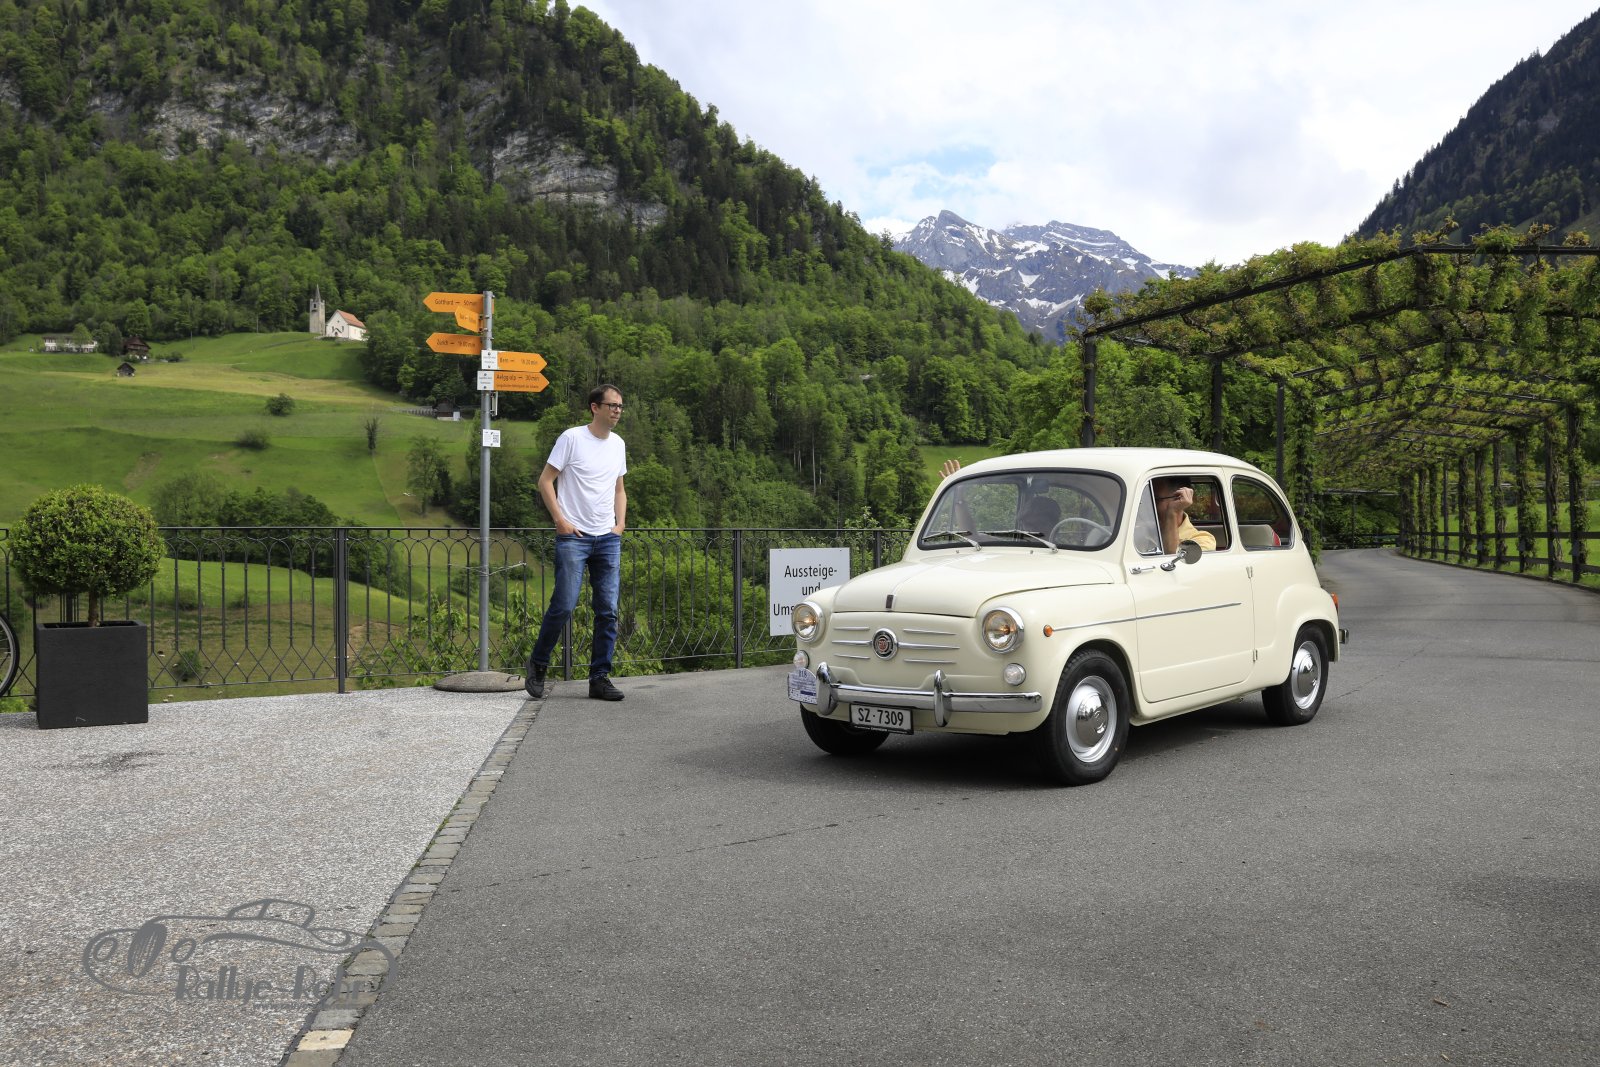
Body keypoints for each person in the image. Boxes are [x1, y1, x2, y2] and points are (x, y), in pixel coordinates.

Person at [524, 384, 628, 701]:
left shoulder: (618, 444)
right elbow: (545, 481)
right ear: (595, 407)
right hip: (574, 538)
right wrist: (560, 520)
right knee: (564, 605)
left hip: (607, 538)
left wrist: (620, 524)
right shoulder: (571, 438)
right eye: (612, 405)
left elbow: (619, 489)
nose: (617, 411)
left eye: (620, 406)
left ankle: (599, 678)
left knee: (607, 611)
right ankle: (538, 664)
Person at [1153, 476, 1216, 553]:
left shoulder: (1204, 540)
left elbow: (1173, 558)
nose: (1150, 505)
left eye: (1155, 500)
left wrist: (1172, 512)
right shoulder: (1144, 531)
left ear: (1178, 499)